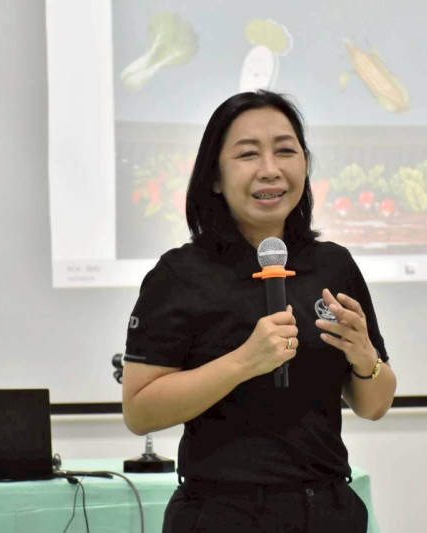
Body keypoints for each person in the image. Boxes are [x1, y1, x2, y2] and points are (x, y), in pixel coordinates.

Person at [122, 90, 397, 533]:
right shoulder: (180, 274)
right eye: (248, 154)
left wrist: (366, 357)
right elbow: (140, 412)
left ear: (305, 165)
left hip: (327, 508)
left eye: (285, 150)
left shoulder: (334, 265)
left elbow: (374, 405)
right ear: (215, 177)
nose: (270, 169)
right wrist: (244, 362)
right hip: (221, 513)